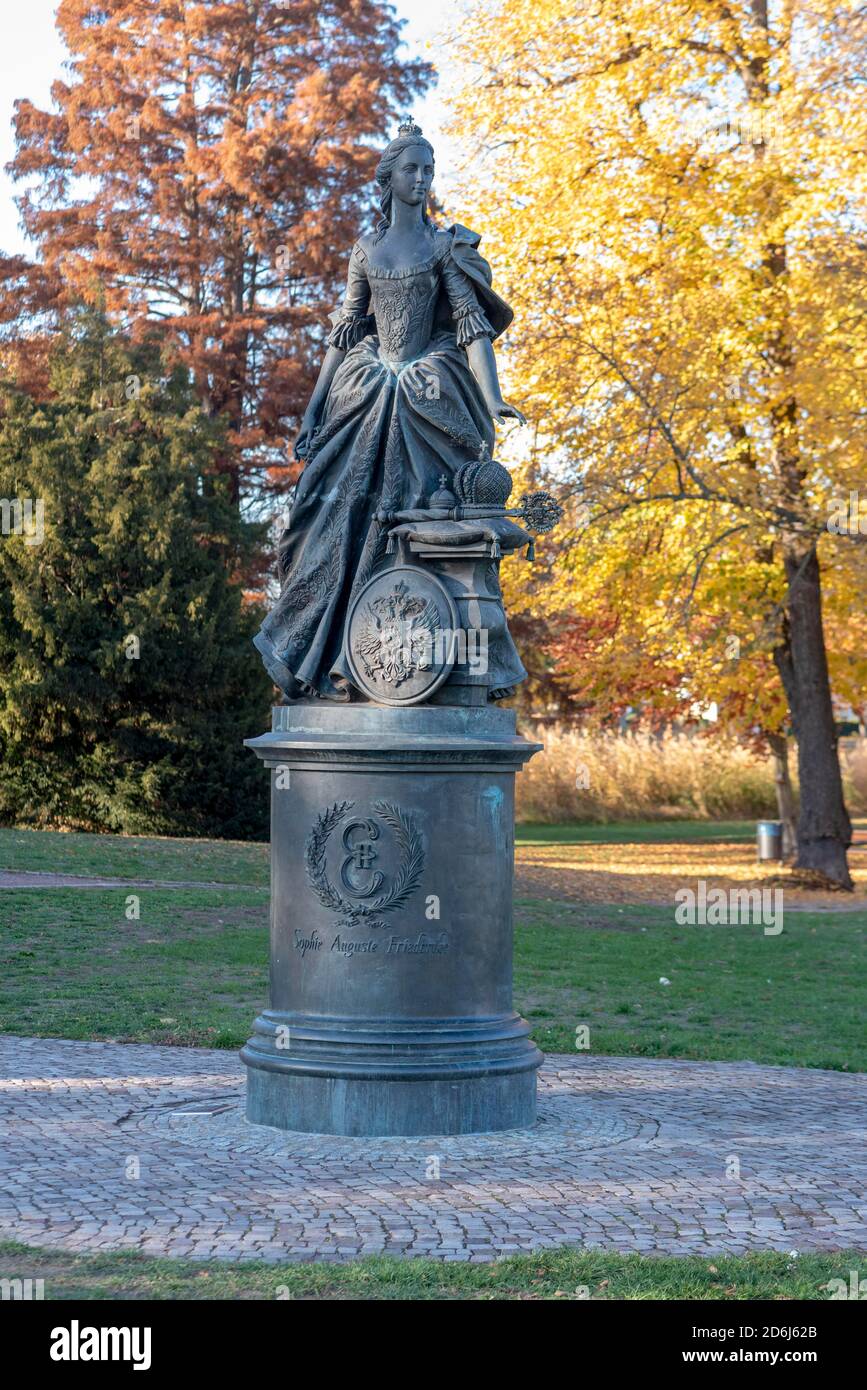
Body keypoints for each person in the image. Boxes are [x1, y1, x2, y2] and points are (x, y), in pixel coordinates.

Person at [254, 120, 525, 701]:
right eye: (412, 169)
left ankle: (412, 658)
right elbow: (345, 332)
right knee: (338, 518)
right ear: (389, 177)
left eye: (429, 170)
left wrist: (493, 396)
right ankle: (332, 655)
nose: (422, 179)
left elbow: (472, 324)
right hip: (363, 393)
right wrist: (311, 411)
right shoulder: (366, 252)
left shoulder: (444, 247)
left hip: (429, 392)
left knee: (420, 521)